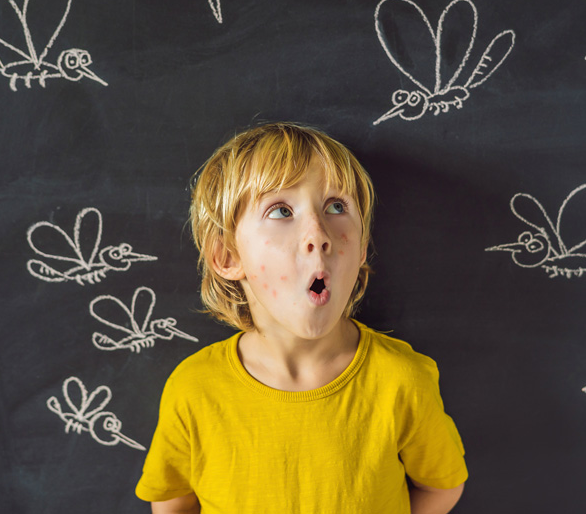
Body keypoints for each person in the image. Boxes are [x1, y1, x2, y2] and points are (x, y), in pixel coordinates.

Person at [135, 122, 467, 513]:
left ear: (361, 247)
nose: (318, 233)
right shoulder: (193, 390)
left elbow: (440, 488)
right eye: (280, 210)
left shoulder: (402, 381)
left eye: (336, 207)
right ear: (227, 256)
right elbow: (171, 504)